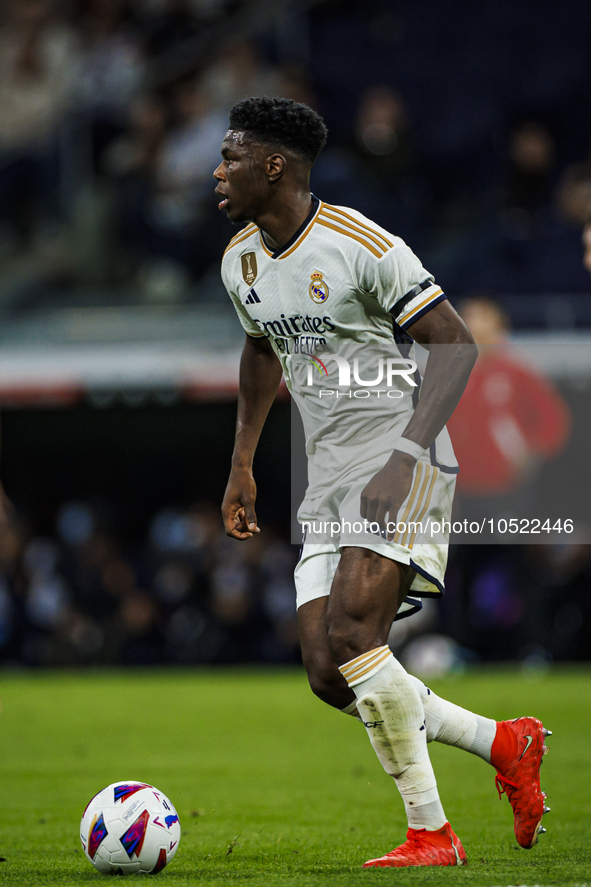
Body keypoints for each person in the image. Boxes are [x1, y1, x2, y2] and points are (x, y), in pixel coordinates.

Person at [215, 96, 551, 868]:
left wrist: (405, 452)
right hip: (324, 474)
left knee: (356, 638)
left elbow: (454, 344)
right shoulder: (240, 260)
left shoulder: (361, 244)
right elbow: (261, 351)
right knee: (330, 672)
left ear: (274, 166)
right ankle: (504, 742)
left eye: (230, 156)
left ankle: (432, 833)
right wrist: (240, 460)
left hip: (398, 456)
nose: (216, 170)